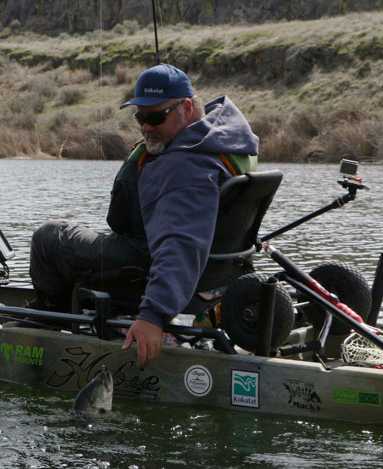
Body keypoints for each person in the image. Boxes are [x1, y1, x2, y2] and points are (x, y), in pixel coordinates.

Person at [28, 63, 259, 368]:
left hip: (152, 267)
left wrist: (153, 314)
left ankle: (50, 321)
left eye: (156, 117)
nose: (146, 127)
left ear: (186, 108)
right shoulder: (220, 137)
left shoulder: (184, 169)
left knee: (48, 238)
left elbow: (180, 243)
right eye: (140, 116)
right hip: (214, 272)